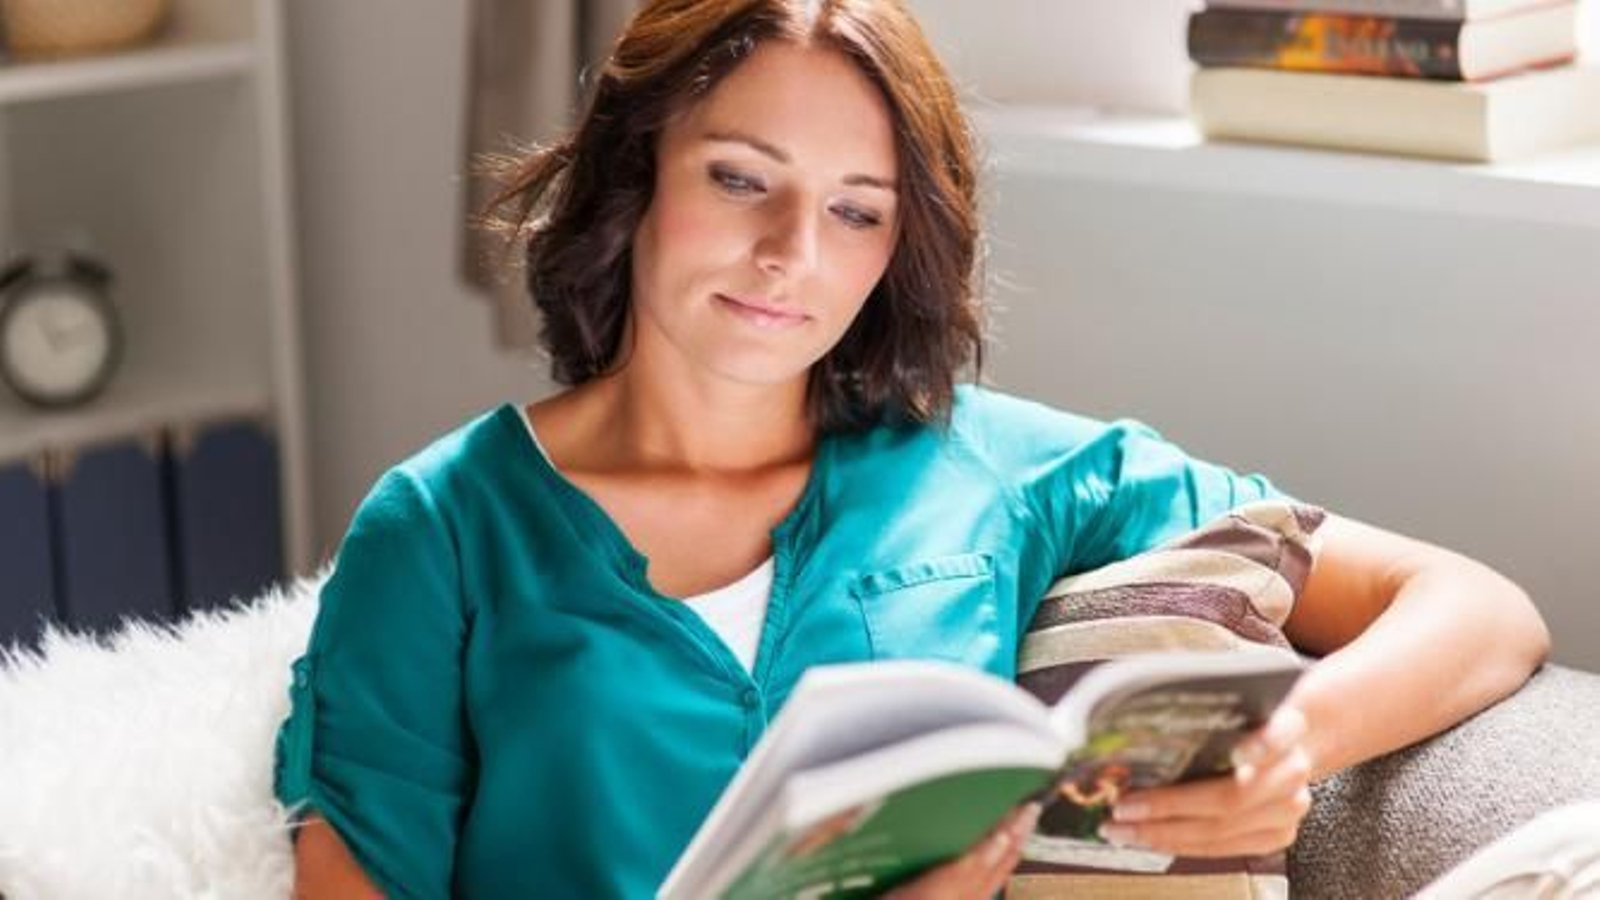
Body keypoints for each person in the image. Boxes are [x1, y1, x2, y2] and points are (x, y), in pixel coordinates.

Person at [274, 1, 1553, 897]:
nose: (792, 253)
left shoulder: (989, 473)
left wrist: (1295, 741)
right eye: (736, 178)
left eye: (855, 211)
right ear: (633, 171)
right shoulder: (441, 528)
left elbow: (1477, 610)